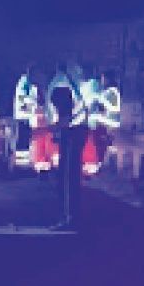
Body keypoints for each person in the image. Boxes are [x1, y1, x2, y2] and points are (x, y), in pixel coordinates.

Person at [42, 64, 89, 228]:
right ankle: (68, 216)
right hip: (74, 131)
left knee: (67, 177)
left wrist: (50, 129)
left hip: (73, 132)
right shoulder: (64, 81)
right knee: (68, 175)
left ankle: (69, 217)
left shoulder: (59, 86)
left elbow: (65, 117)